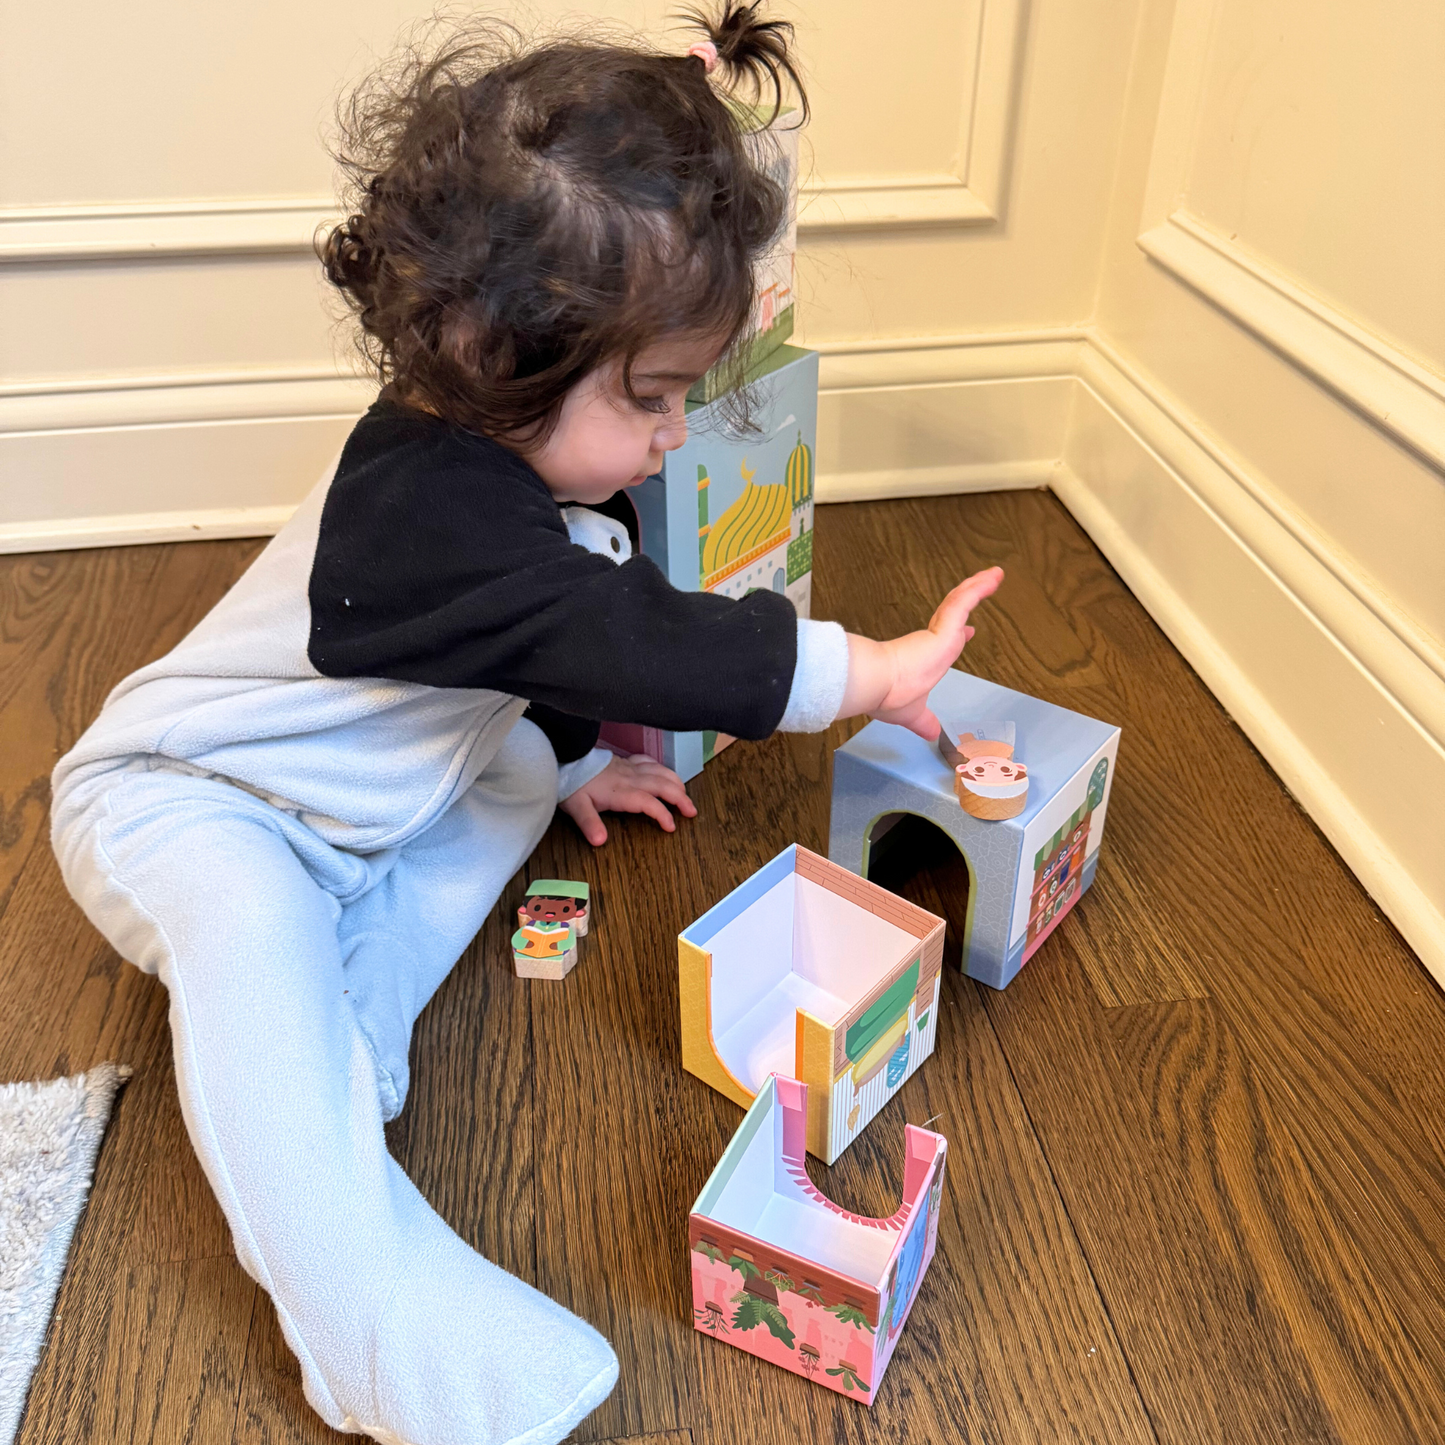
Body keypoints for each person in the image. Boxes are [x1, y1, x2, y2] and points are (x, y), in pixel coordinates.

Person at [48, 7, 1002, 1445]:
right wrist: (865, 670)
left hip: (365, 800)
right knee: (246, 932)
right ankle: (372, 1336)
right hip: (184, 802)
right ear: (499, 351)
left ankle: (334, 1028)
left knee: (504, 773)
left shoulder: (521, 449)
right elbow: (619, 631)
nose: (676, 439)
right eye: (657, 399)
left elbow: (546, 640)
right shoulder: (426, 509)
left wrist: (562, 759)